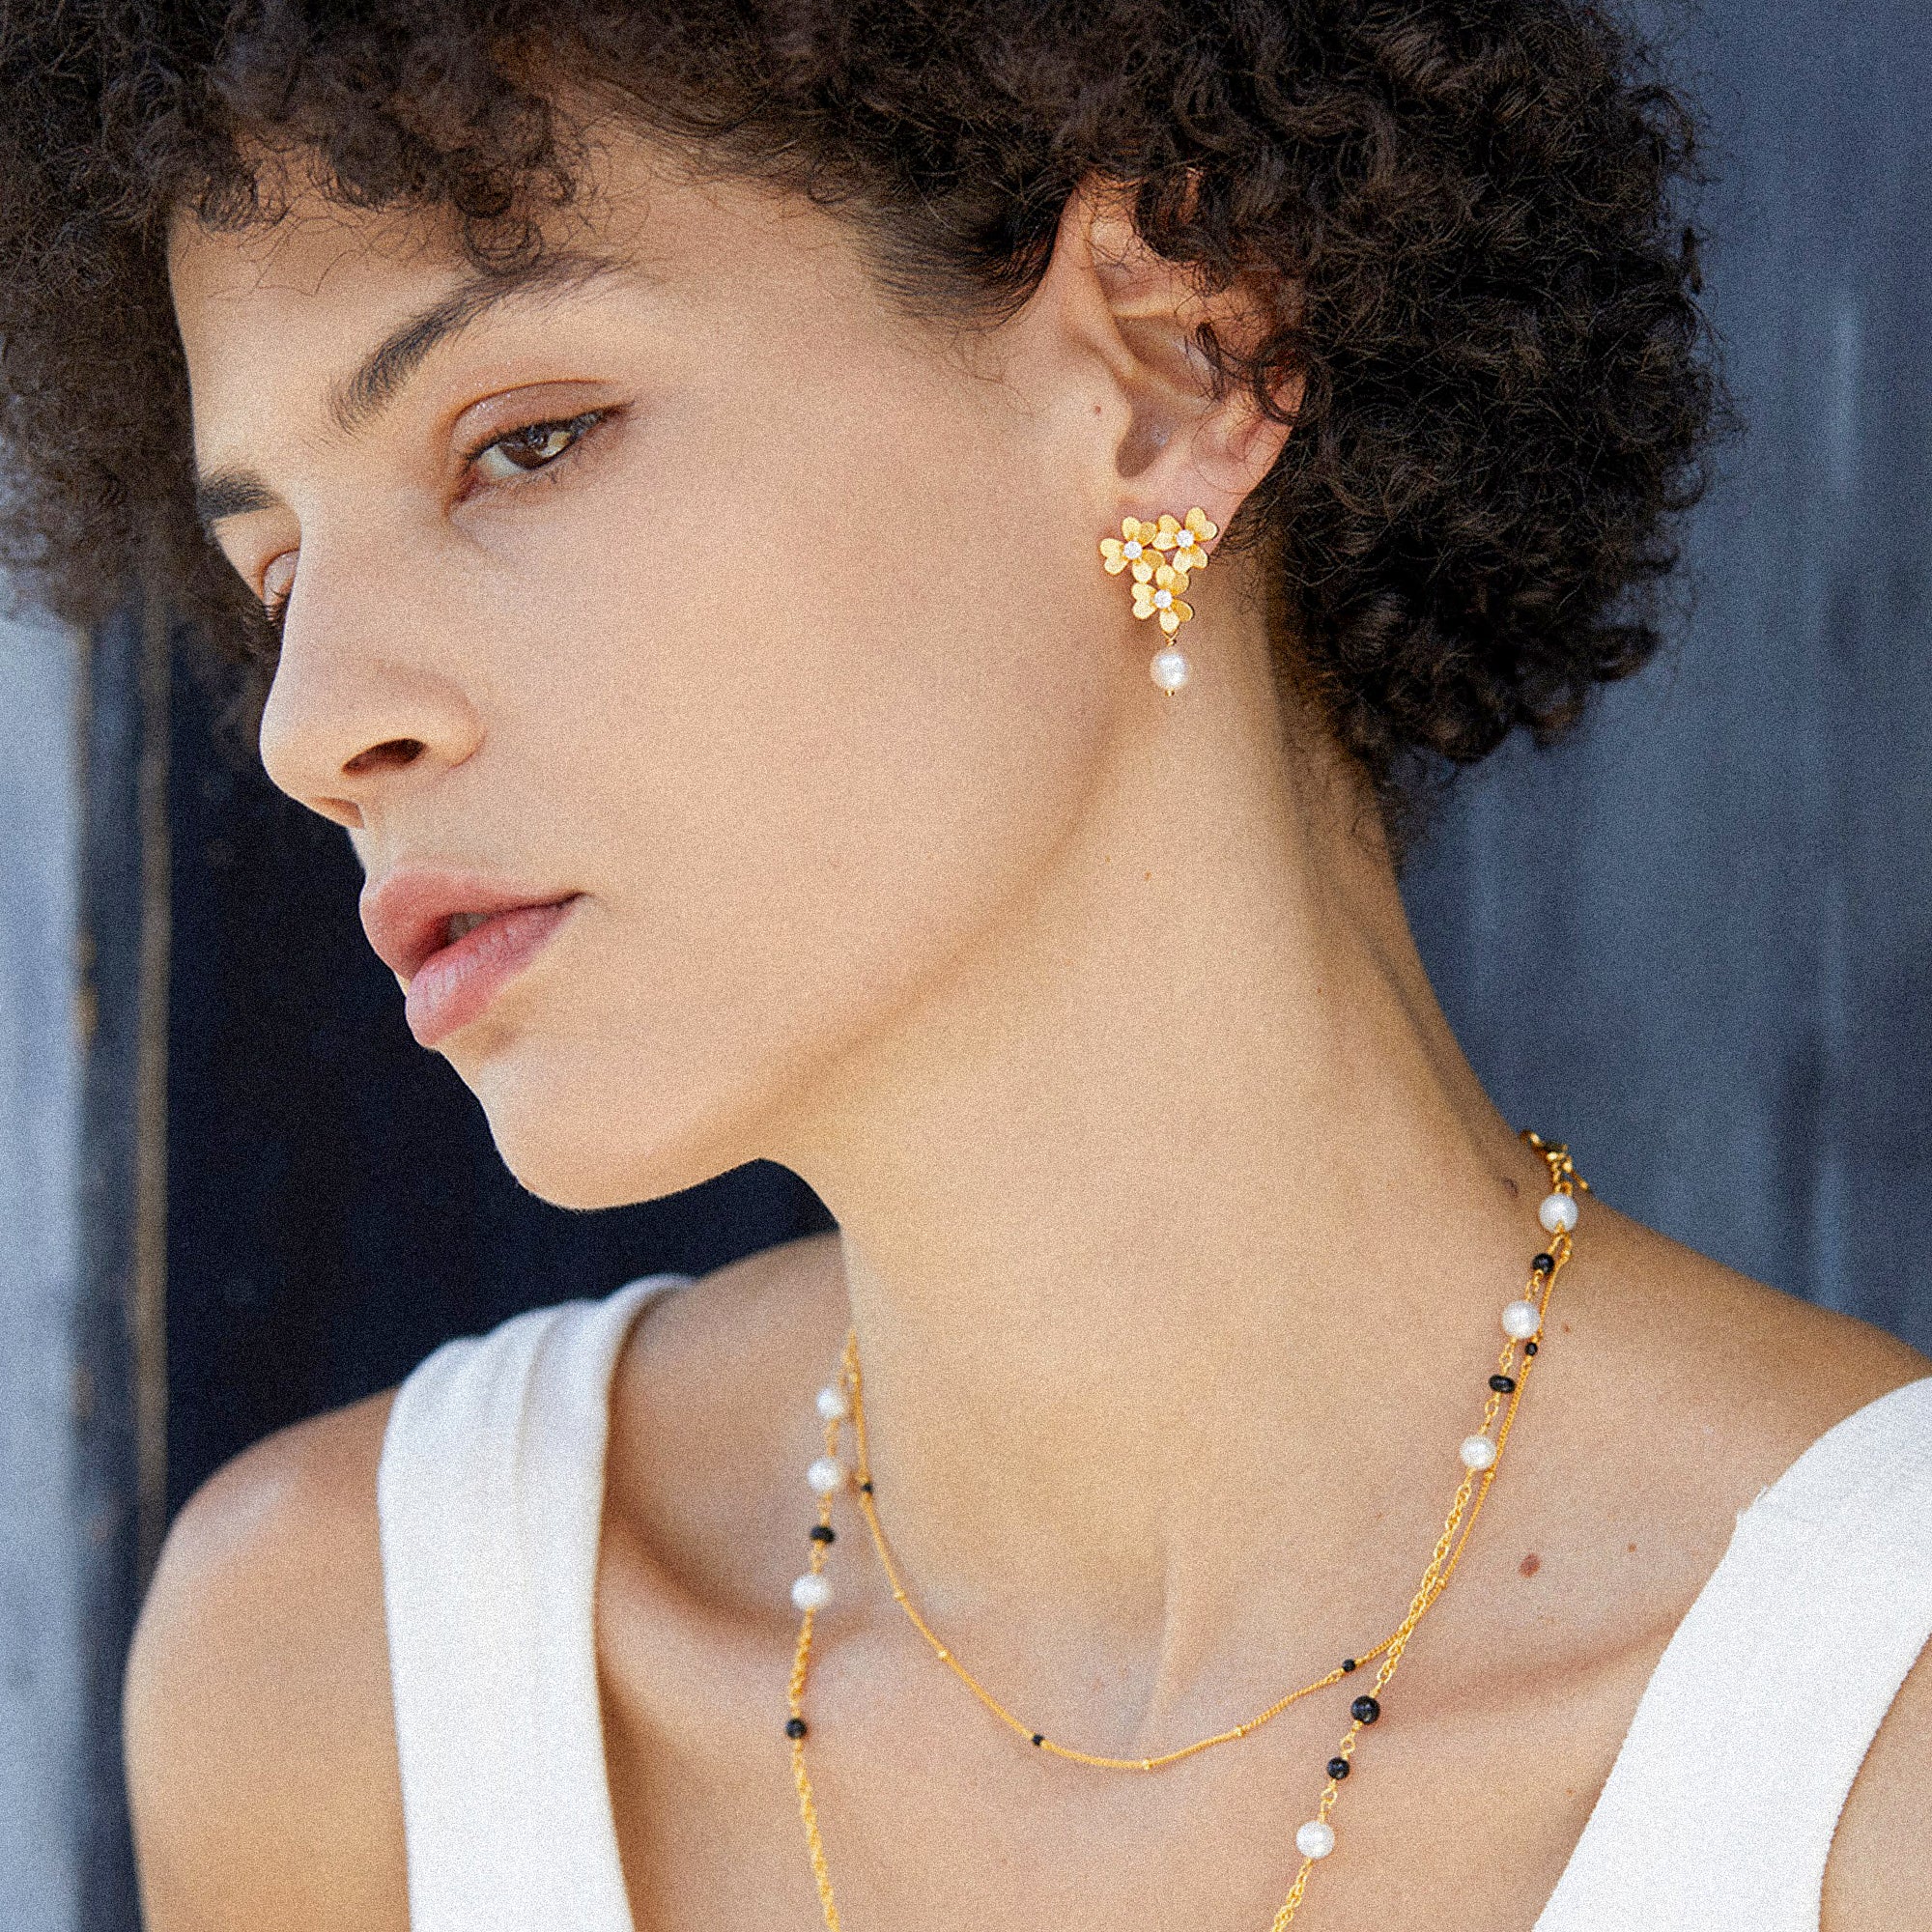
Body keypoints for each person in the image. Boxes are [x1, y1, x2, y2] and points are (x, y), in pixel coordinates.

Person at [2, 3, 1927, 1927]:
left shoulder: (1875, 1738)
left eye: (526, 443)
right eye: (278, 577)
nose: (312, 727)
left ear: (1163, 374)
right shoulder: (348, 1684)